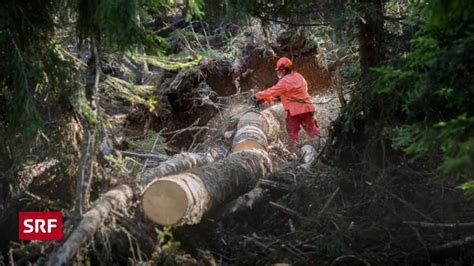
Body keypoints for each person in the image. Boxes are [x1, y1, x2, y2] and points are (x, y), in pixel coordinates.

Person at [254, 57, 319, 152]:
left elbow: (272, 91)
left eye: (280, 70)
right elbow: (295, 91)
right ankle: (321, 147)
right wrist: (276, 97)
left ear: (283, 69)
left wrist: (258, 95)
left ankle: (293, 154)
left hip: (294, 112)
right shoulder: (299, 76)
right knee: (313, 132)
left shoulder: (284, 81)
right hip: (307, 108)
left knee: (293, 135)